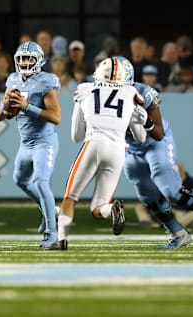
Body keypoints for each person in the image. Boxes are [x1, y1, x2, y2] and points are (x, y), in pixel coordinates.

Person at [120, 57, 193, 249]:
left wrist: (145, 122)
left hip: (155, 143)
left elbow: (157, 133)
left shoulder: (143, 93)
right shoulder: (100, 96)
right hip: (132, 149)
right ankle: (177, 233)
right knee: (147, 195)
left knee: (172, 192)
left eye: (110, 80)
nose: (106, 85)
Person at [47, 57, 150, 250]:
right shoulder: (131, 93)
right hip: (118, 150)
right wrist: (139, 120)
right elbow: (141, 138)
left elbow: (76, 136)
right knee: (98, 208)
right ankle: (112, 209)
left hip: (93, 144)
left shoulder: (85, 90)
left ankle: (61, 239)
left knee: (70, 197)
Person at [0, 41, 61, 248]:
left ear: (39, 60)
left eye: (29, 58)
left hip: (44, 142)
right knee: (20, 180)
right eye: (21, 58)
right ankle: (47, 210)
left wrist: (26, 107)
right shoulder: (13, 79)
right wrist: (6, 108)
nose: (24, 62)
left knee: (41, 181)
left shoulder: (46, 81)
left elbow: (56, 117)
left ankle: (53, 234)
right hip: (26, 144)